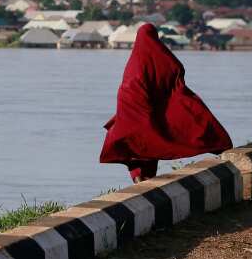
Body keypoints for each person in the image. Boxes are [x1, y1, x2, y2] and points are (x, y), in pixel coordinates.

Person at [100, 23, 233, 182]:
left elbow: (130, 89)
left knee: (138, 144)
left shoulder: (134, 62)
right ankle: (217, 145)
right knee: (149, 141)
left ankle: (140, 177)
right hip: (150, 107)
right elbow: (176, 70)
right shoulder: (162, 56)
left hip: (132, 110)